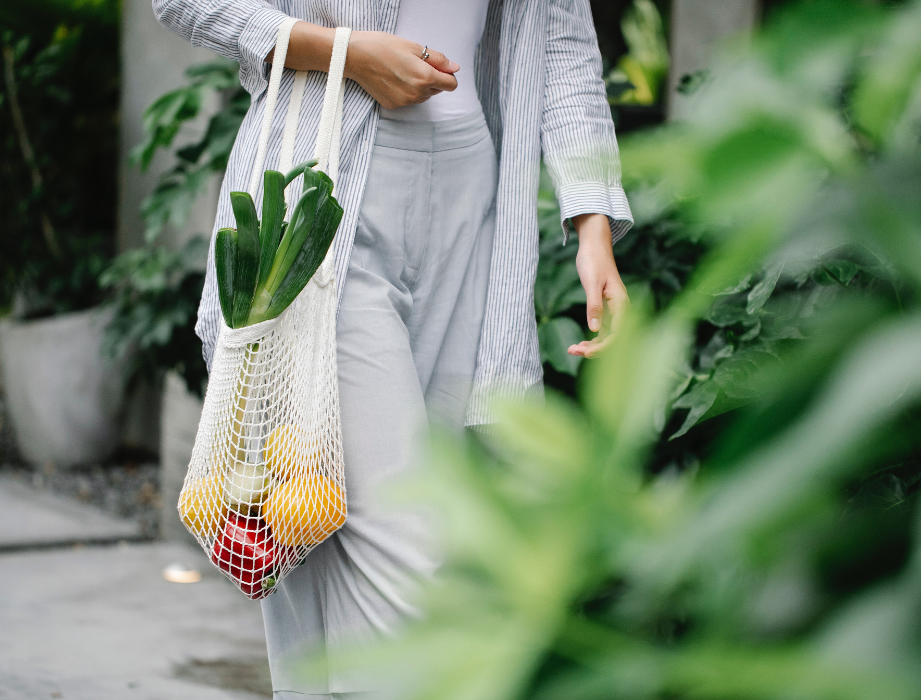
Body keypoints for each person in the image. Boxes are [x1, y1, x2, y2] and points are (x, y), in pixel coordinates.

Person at [153, 0, 633, 697]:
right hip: (323, 192)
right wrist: (342, 50)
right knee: (406, 552)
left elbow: (559, 34)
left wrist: (592, 222)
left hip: (472, 200)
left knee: (315, 531)